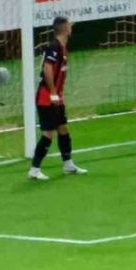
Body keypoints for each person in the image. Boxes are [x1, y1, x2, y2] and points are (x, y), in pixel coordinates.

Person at [28, 17, 88, 180]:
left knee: (63, 128)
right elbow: (47, 69)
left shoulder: (62, 46)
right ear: (64, 28)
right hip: (46, 96)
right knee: (48, 133)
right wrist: (54, 92)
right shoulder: (54, 46)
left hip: (56, 96)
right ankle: (34, 169)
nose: (71, 27)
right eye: (69, 25)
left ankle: (68, 164)